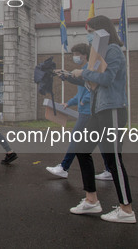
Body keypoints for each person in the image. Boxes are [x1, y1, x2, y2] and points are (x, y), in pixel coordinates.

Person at [69, 15, 136, 223]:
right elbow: (94, 83)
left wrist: (84, 73)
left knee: (113, 159)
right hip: (99, 111)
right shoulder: (99, 54)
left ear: (102, 32)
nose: (88, 37)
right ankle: (91, 200)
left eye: (90, 32)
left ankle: (126, 211)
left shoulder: (113, 50)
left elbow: (107, 79)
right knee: (81, 149)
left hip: (113, 110)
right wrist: (85, 76)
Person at [46, 43, 111, 179]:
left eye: (76, 54)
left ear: (85, 55)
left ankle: (64, 167)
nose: (74, 57)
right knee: (100, 141)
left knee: (76, 137)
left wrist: (85, 100)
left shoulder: (89, 69)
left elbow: (92, 88)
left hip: (88, 111)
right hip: (86, 111)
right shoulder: (83, 68)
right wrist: (69, 103)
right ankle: (110, 170)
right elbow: (81, 92)